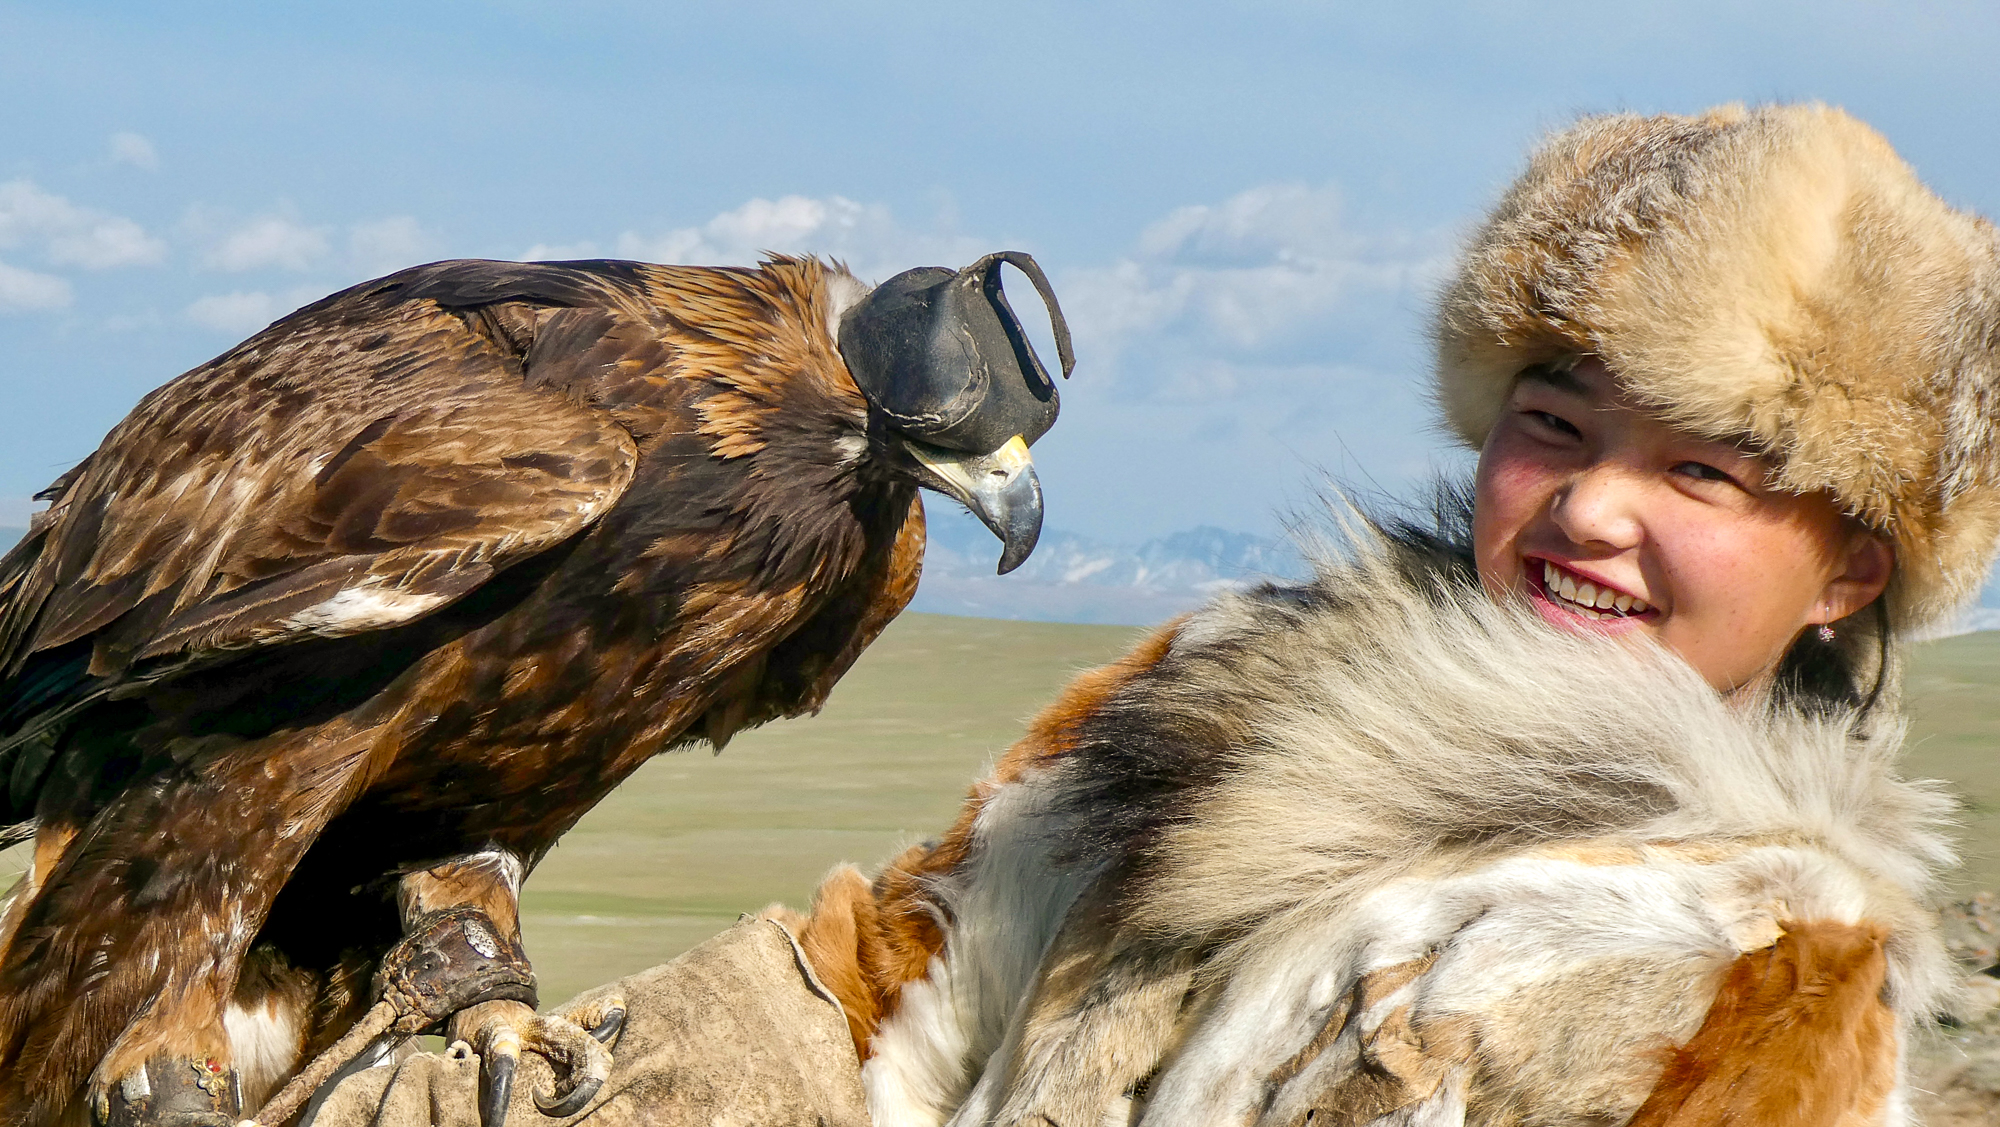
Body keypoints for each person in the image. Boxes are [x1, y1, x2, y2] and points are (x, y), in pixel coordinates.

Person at [314, 103, 2000, 1126]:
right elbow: (867, 1009)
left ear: (1851, 568)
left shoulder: (1761, 991)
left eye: (1700, 470)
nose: (1591, 508)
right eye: (1552, 424)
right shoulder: (1224, 699)